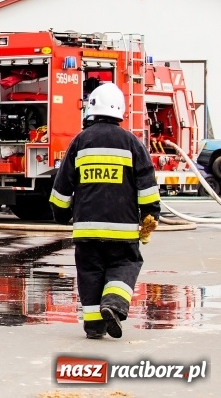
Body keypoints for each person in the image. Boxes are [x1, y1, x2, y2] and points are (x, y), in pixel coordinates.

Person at [49, 83, 160, 340]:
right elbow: (147, 186)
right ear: (120, 110)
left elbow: (62, 185)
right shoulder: (132, 143)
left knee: (89, 273)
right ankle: (114, 303)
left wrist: (61, 214)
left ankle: (94, 326)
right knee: (125, 263)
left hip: (87, 229)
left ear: (91, 109)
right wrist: (149, 217)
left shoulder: (80, 141)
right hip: (122, 230)